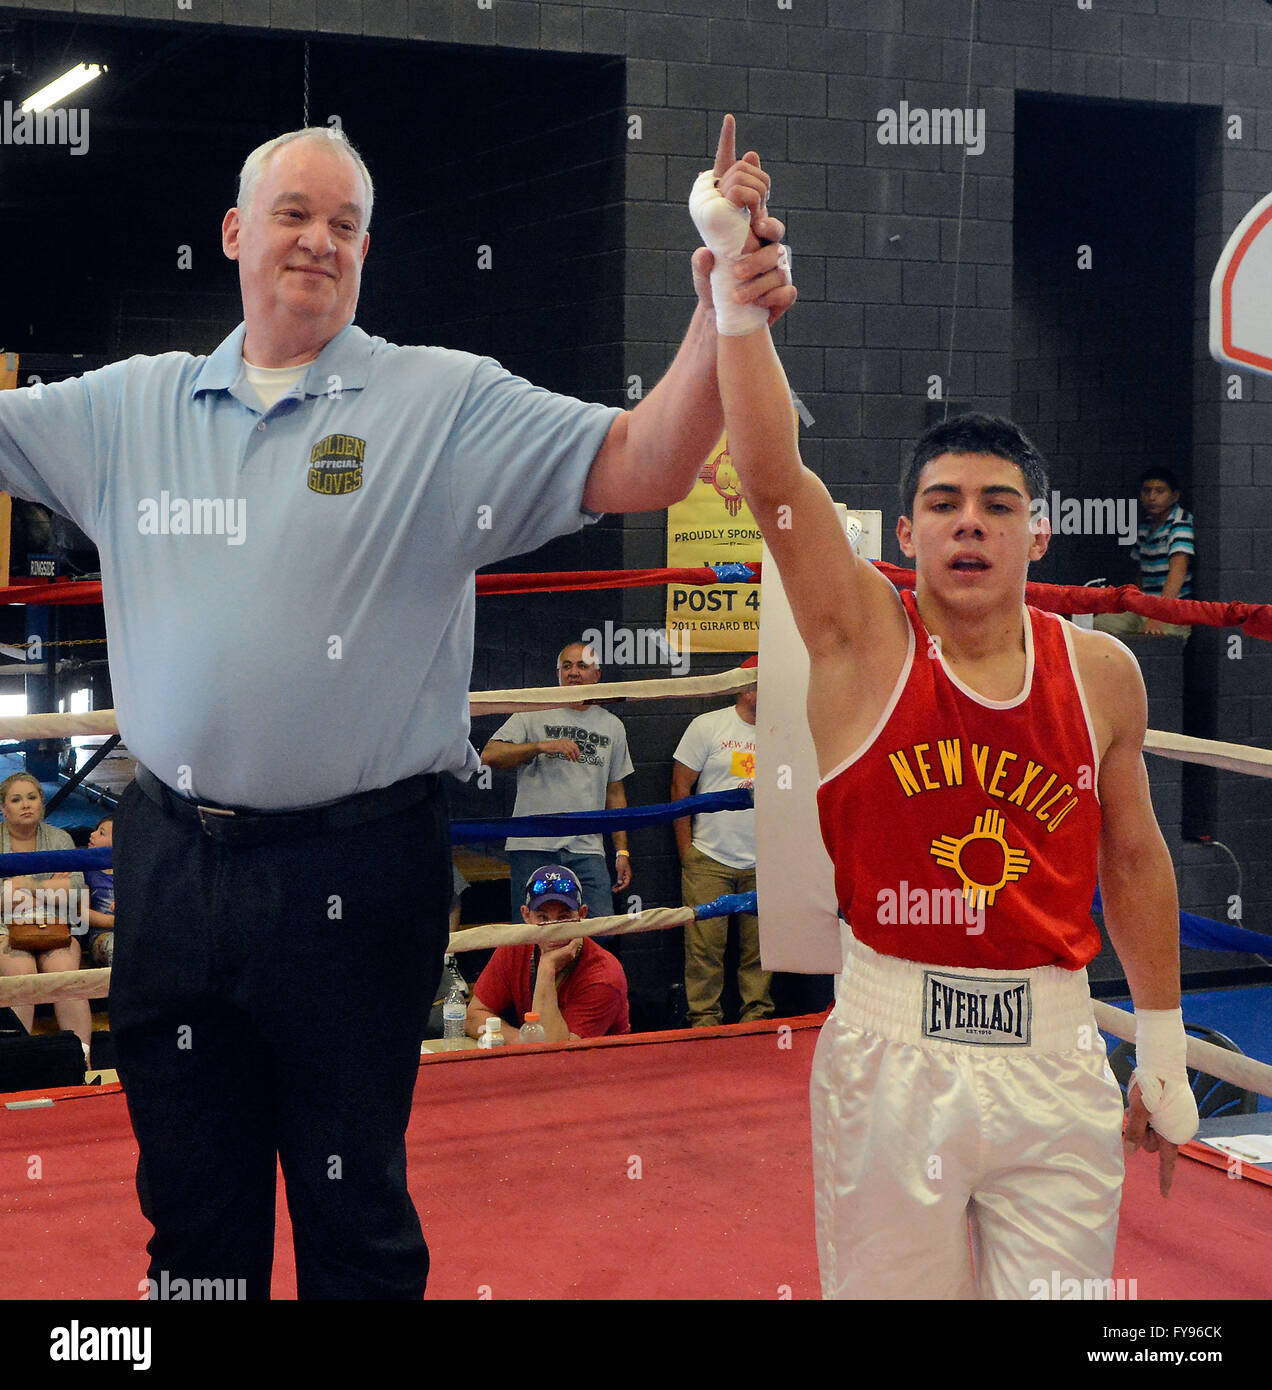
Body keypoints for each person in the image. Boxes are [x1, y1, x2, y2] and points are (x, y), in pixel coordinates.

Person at [0, 116, 792, 1298]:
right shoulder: (126, 409)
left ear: (367, 252)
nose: (319, 241)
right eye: (292, 215)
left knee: (353, 1214)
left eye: (346, 225)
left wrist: (724, 301)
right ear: (232, 234)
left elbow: (649, 462)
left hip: (357, 872)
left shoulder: (441, 402)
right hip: (169, 861)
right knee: (190, 1220)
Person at [690, 149, 1196, 1299]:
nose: (970, 525)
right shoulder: (864, 643)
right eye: (943, 506)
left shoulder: (1104, 671)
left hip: (1057, 1046)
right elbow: (771, 475)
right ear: (906, 537)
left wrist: (1160, 1049)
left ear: (1039, 536)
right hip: (892, 1046)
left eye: (998, 506)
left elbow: (1132, 852)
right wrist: (732, 274)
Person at [481, 641, 633, 925]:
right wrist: (539, 746)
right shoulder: (533, 712)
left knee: (600, 930)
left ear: (596, 675)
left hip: (586, 847)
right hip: (533, 844)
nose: (574, 672)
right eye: (567, 666)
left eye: (582, 666)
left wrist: (622, 851)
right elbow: (490, 755)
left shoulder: (612, 726)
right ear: (558, 673)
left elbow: (615, 792)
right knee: (530, 935)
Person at [670, 654, 771, 1025]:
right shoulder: (708, 726)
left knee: (762, 953)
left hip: (766, 861)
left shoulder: (787, 729)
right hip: (710, 859)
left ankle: (757, 1023)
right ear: (745, 687)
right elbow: (681, 785)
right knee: (703, 952)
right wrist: (688, 852)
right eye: (762, 682)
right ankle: (703, 1025)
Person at [466, 865, 630, 1042]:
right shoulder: (514, 947)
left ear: (582, 915)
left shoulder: (604, 975)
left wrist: (546, 968)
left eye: (564, 917)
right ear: (526, 916)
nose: (553, 929)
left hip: (598, 1066)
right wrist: (520, 1040)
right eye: (543, 918)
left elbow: (554, 1052)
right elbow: (473, 1016)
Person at [0, 772, 91, 1057]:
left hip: (55, 925)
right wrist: (51, 885)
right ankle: (18, 1063)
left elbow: (75, 889)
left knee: (65, 974)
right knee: (20, 973)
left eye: (32, 797)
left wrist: (24, 885)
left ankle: (82, 1060)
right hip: (4, 927)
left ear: (42, 803)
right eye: (16, 799)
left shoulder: (60, 837)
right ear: (4, 808)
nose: (26, 804)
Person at [1095, 468, 1194, 639]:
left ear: (1174, 496)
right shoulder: (1145, 526)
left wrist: (1158, 617)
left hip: (1172, 610)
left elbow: (1177, 573)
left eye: (1160, 491)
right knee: (1097, 626)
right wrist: (1135, 603)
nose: (1152, 497)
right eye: (1147, 491)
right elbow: (1141, 572)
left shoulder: (1180, 524)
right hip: (1146, 606)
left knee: (1157, 642)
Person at [84, 815, 116, 966]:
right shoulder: (86, 871)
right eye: (96, 830)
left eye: (101, 833)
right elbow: (82, 913)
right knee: (116, 946)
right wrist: (114, 921)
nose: (92, 834)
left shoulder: (133, 872)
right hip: (102, 936)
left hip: (134, 931)